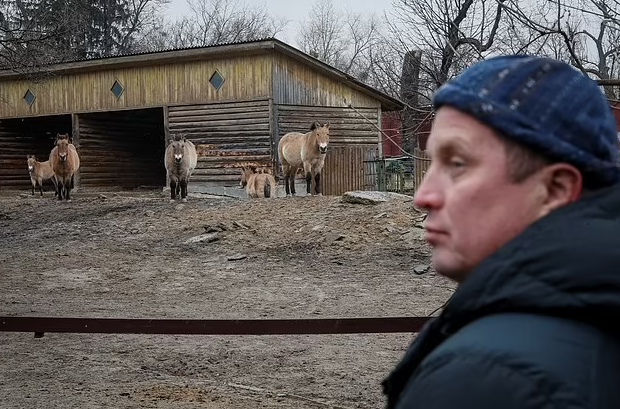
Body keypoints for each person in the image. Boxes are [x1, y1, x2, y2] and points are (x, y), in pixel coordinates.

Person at [382, 55, 620, 409]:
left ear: (554, 189)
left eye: (457, 163)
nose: (423, 196)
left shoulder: (487, 378)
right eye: (433, 163)